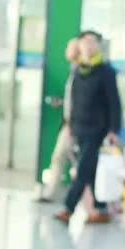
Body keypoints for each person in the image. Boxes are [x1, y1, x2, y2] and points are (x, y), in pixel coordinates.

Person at [54, 30, 122, 225]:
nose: (89, 46)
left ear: (99, 46)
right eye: (85, 42)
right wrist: (69, 124)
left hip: (97, 129)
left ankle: (68, 208)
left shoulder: (106, 71)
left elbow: (114, 102)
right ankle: (101, 209)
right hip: (78, 127)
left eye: (93, 42)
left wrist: (113, 130)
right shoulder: (77, 70)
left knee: (82, 169)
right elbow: (73, 100)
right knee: (90, 171)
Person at [37, 37, 80, 203]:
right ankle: (51, 192)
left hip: (76, 125)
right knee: (60, 158)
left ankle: (86, 198)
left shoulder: (81, 71)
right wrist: (62, 103)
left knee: (75, 162)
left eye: (69, 48)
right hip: (68, 124)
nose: (66, 51)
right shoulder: (73, 70)